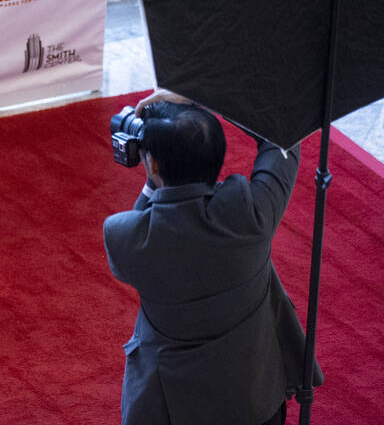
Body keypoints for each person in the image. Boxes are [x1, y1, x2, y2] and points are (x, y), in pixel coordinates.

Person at [103, 89, 320, 425]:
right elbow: (282, 138)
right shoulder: (250, 213)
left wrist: (152, 180)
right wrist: (211, 97)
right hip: (254, 396)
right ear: (218, 156)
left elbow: (141, 222)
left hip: (168, 407)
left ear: (154, 163)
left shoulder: (125, 236)